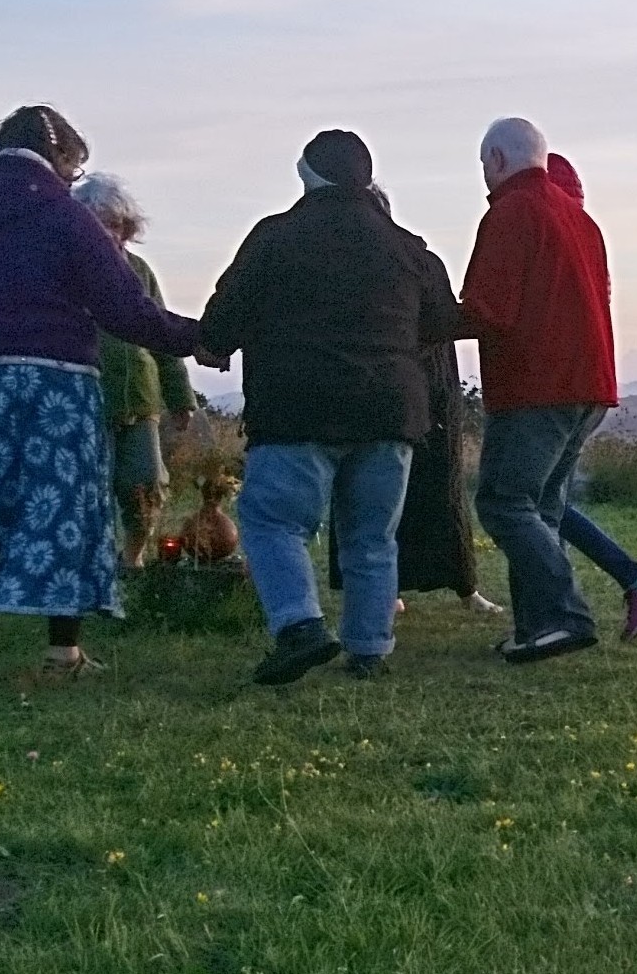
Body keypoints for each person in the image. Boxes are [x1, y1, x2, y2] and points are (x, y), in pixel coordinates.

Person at [0, 105, 201, 676]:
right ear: (62, 157)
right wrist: (197, 338)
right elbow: (123, 307)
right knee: (64, 504)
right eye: (74, 169)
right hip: (52, 376)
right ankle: (63, 652)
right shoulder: (64, 215)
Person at [196, 130, 462, 686]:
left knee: (274, 521)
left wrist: (213, 346)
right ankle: (369, 647)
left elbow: (224, 319)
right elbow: (442, 321)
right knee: (372, 535)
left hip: (297, 408)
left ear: (307, 174)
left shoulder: (274, 238)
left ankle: (300, 626)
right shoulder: (408, 246)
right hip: (391, 411)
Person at [458, 118, 619, 663]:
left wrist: (421, 320)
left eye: (484, 166)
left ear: (499, 160)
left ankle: (566, 616)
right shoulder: (580, 218)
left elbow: (488, 309)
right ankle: (536, 629)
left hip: (536, 384)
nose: (484, 179)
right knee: (542, 508)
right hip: (589, 384)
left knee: (503, 503)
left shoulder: (511, 213)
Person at [325, 185, 502, 617]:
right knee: (371, 495)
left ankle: (462, 584)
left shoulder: (414, 258)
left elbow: (443, 320)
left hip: (428, 384)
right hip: (382, 390)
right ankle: (386, 589)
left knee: (440, 488)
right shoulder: (349, 263)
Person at [543, 153, 637, 639]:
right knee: (547, 503)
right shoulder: (587, 236)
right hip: (592, 389)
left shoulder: (550, 234)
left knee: (530, 503)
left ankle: (623, 583)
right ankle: (628, 582)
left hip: (555, 389)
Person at [71, 173, 197, 566]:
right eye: (101, 223)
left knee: (146, 484)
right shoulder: (68, 268)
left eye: (117, 224)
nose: (111, 233)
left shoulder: (138, 270)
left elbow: (159, 330)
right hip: (87, 399)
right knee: (92, 489)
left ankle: (133, 557)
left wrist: (181, 398)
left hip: (141, 400)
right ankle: (96, 566)